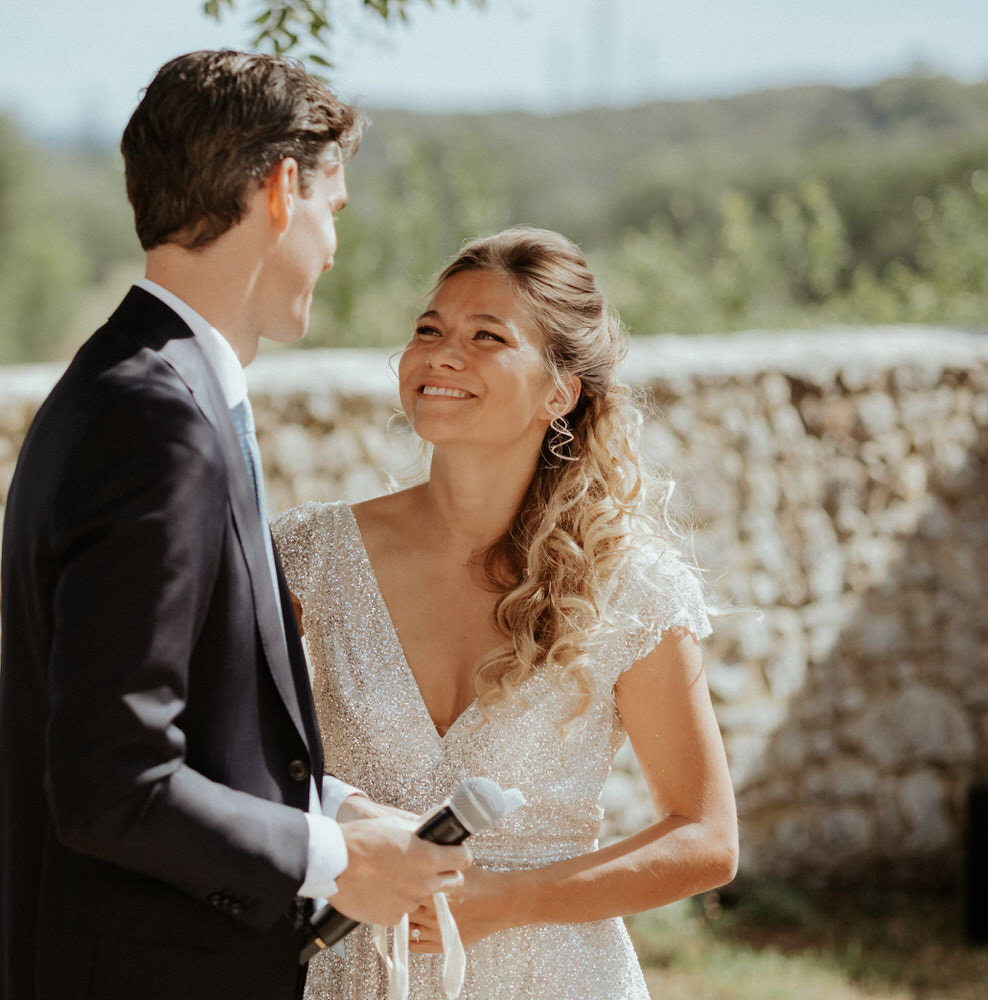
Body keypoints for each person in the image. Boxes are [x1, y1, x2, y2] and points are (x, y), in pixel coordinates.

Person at [0, 50, 471, 1000]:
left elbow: (193, 723)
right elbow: (113, 784)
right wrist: (335, 862)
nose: (333, 246)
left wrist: (333, 810)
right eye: (332, 208)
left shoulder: (140, 387)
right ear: (280, 191)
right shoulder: (155, 422)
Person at [273, 227, 740, 1000]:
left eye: (486, 337)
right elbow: (226, 752)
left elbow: (706, 837)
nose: (442, 355)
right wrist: (342, 820)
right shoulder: (308, 555)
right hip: (353, 973)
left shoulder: (630, 586)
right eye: (429, 330)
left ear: (560, 391)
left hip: (556, 978)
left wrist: (507, 902)